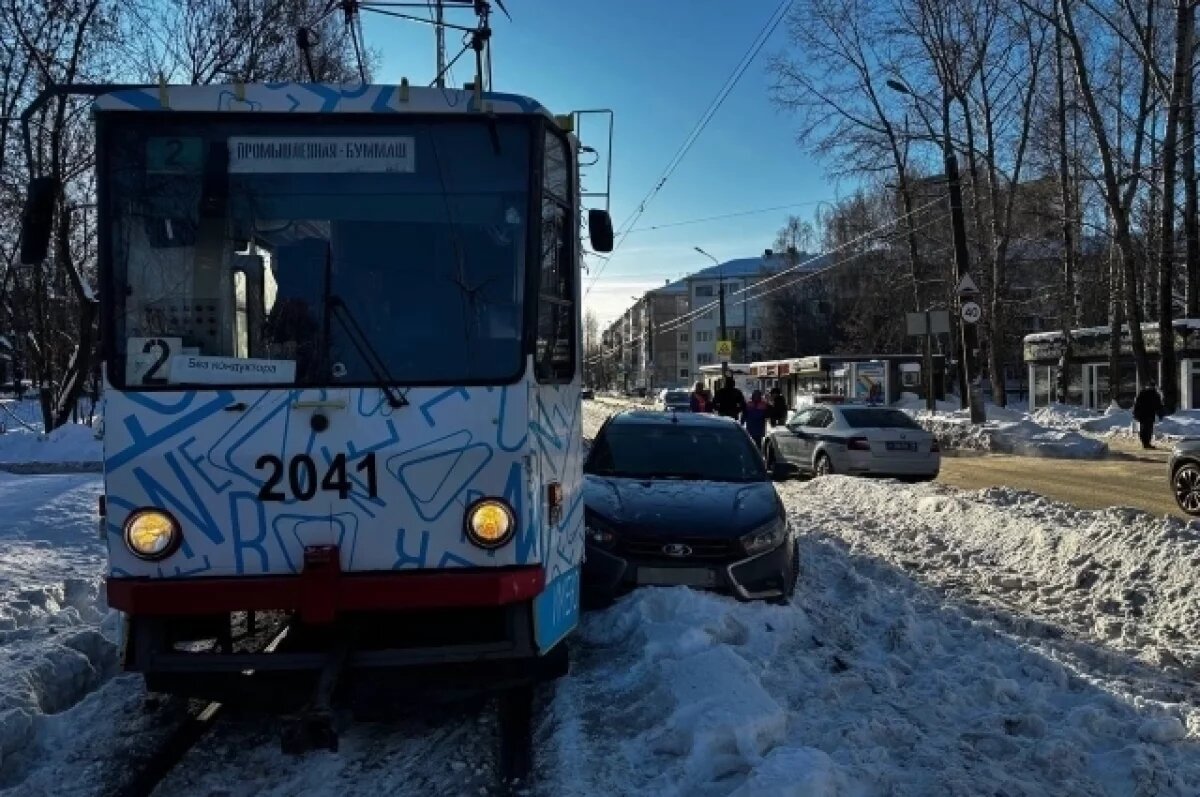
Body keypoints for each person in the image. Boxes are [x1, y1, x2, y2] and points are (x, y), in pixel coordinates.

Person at [1133, 380, 1166, 449]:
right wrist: (1160, 413)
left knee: (1145, 428)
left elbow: (1137, 404)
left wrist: (1136, 412)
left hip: (1144, 414)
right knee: (1147, 429)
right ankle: (1146, 443)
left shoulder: (1143, 393)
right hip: (1148, 414)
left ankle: (1145, 443)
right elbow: (1158, 405)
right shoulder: (1154, 394)